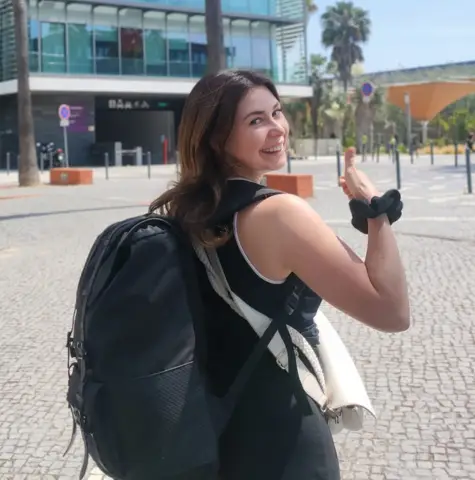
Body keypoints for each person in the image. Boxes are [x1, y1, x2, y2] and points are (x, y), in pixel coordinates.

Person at [150, 70, 410, 480]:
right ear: (217, 138)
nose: (277, 129)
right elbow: (392, 312)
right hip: (283, 443)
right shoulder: (277, 214)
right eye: (256, 121)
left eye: (277, 113)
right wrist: (374, 207)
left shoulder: (186, 211)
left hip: (212, 432)